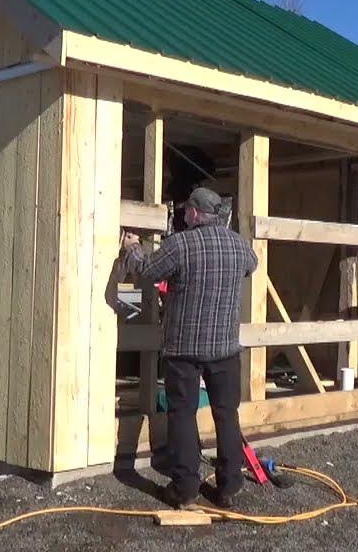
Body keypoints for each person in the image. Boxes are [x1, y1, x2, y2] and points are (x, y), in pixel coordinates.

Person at [121, 187, 258, 509]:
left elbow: (146, 270)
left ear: (196, 213)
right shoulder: (239, 245)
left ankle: (185, 490)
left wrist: (132, 246)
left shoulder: (180, 245)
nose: (183, 214)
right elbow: (252, 266)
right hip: (225, 349)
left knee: (182, 414)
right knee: (227, 414)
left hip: (184, 349)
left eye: (186, 210)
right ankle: (229, 486)